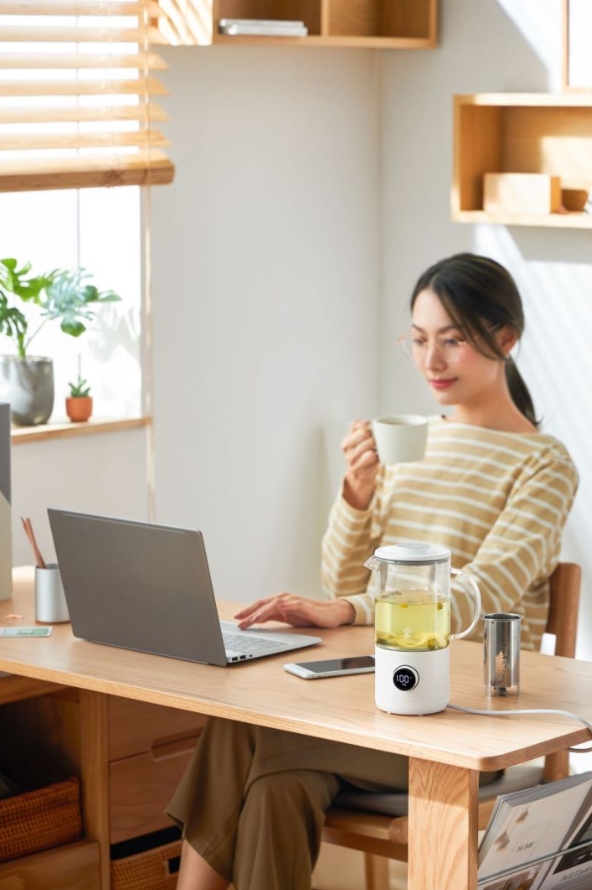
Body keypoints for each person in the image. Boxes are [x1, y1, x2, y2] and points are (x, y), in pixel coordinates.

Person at [167, 253, 578, 890]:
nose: (430, 362)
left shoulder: (544, 465)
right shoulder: (407, 440)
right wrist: (356, 496)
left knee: (245, 729)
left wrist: (354, 609)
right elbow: (341, 583)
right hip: (373, 692)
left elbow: (486, 589)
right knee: (279, 784)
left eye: (452, 341)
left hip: (466, 713)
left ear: (506, 339)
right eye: (418, 340)